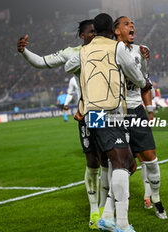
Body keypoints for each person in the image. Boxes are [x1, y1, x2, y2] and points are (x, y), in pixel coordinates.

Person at [18, 20, 110, 230]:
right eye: (90, 32)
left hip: (107, 110)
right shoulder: (72, 53)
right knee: (93, 161)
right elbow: (41, 62)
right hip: (88, 113)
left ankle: (106, 208)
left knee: (107, 159)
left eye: (96, 31)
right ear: (82, 35)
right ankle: (94, 210)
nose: (94, 35)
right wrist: (24, 51)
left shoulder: (107, 48)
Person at [65, 13, 152, 232]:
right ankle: (120, 224)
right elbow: (135, 75)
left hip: (92, 113)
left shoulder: (84, 51)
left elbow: (68, 67)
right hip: (110, 110)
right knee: (122, 162)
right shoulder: (117, 48)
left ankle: (106, 214)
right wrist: (142, 80)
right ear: (111, 30)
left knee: (121, 162)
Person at [109, 15, 167, 220]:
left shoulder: (140, 50)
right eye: (126, 24)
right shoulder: (110, 50)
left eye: (132, 24)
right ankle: (108, 206)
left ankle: (156, 199)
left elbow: (145, 83)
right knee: (119, 164)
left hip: (135, 110)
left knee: (150, 159)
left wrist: (149, 110)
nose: (131, 26)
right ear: (116, 31)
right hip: (114, 113)